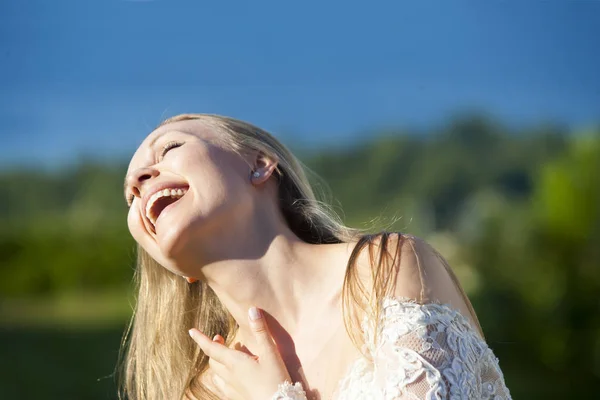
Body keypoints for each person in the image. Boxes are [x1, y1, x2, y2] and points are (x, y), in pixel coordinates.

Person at [121, 113, 512, 400]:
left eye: (170, 148)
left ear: (259, 165)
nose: (139, 182)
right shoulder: (206, 392)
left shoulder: (384, 272)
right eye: (130, 197)